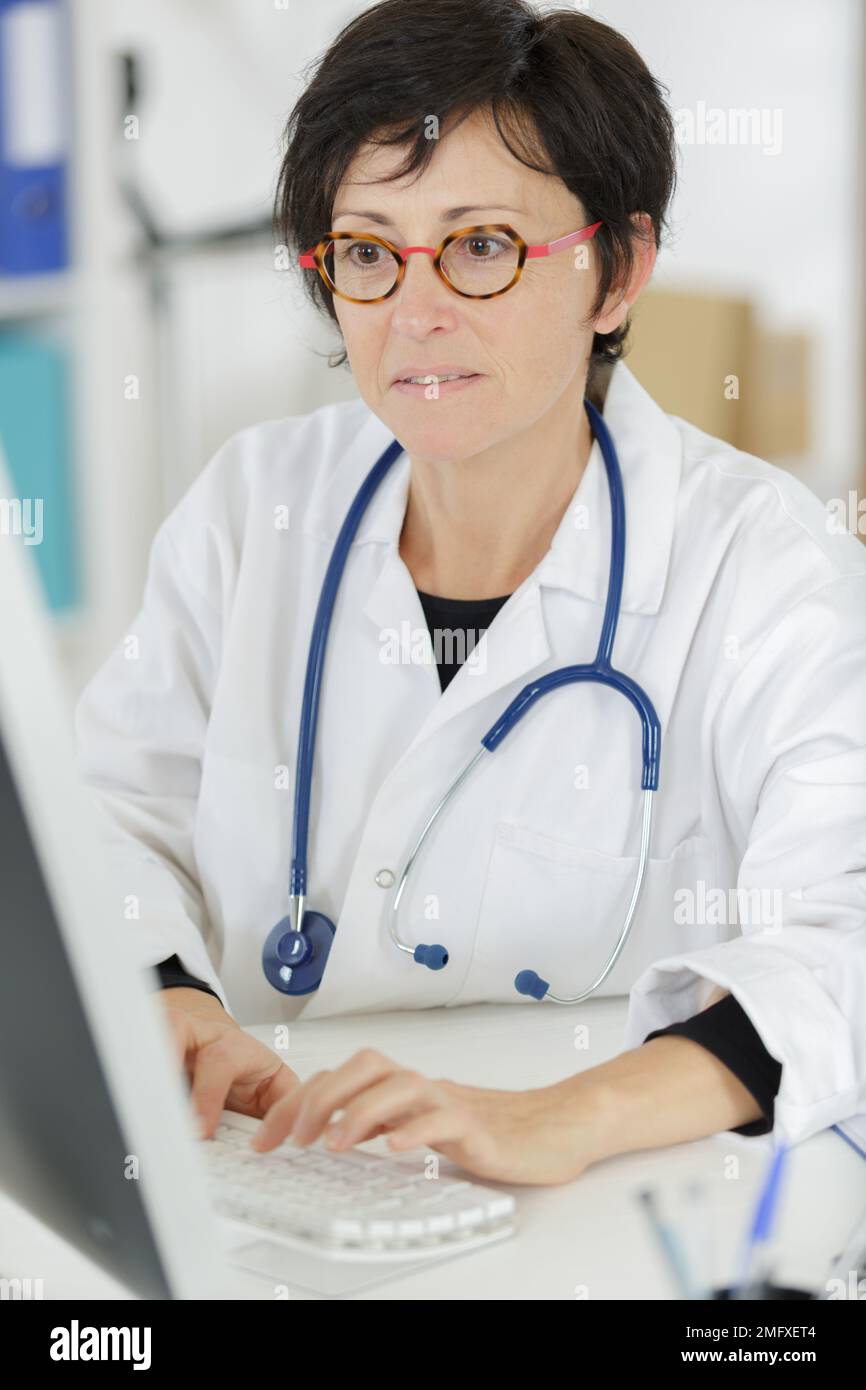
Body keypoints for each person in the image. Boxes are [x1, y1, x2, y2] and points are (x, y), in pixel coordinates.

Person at [74, 0, 866, 1185]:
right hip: (279, 1171)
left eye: (482, 243)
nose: (415, 308)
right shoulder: (254, 510)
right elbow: (102, 820)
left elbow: (846, 936)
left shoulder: (760, 564)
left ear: (618, 270)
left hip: (629, 1195)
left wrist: (555, 1116)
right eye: (366, 250)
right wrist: (163, 988)